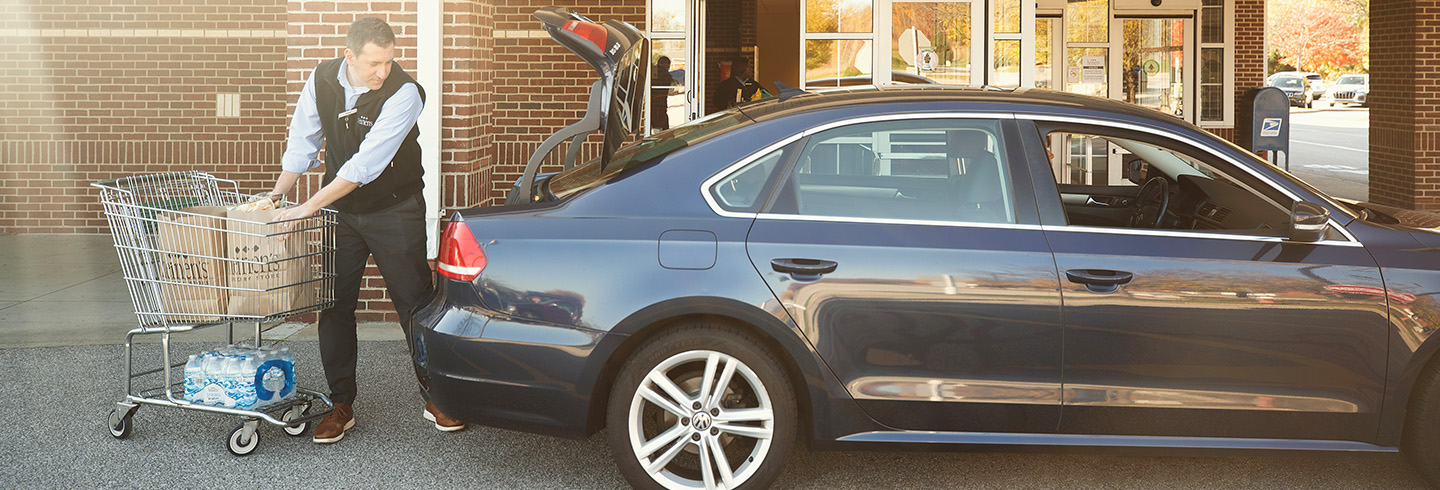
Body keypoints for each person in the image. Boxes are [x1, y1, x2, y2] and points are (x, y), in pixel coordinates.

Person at [266, 17, 465, 444]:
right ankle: (341, 404)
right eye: (374, 63)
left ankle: (437, 397)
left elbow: (364, 166)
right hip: (341, 213)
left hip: (395, 210)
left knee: (415, 304)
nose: (383, 71)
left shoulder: (405, 93)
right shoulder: (322, 79)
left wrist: (307, 207)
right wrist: (277, 196)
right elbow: (302, 141)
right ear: (350, 56)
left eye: (389, 61)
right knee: (335, 305)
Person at [651, 56, 678, 132]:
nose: (668, 67)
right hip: (658, 106)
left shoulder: (655, 75)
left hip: (657, 105)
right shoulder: (665, 76)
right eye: (668, 65)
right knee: (662, 127)